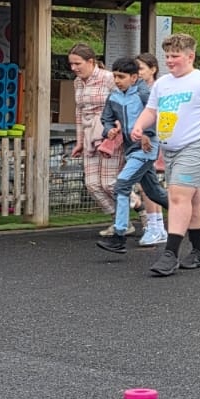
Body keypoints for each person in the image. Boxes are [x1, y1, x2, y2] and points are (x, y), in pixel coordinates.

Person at [131, 33, 200, 277]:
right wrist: (139, 125)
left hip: (197, 145)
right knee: (193, 197)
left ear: (190, 57)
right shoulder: (162, 84)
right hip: (170, 149)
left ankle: (170, 253)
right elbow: (151, 110)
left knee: (177, 195)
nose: (169, 60)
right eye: (167, 56)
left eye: (175, 56)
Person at [96, 57, 170, 255]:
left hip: (146, 150)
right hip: (130, 149)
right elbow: (106, 119)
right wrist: (110, 130)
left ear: (134, 77)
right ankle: (187, 213)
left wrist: (147, 133)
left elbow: (157, 116)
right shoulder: (114, 96)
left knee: (121, 185)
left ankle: (119, 236)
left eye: (121, 77)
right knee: (155, 193)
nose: (117, 80)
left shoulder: (144, 93)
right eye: (115, 76)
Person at [68, 44, 120, 229]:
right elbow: (79, 112)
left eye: (77, 64)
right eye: (71, 64)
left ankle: (142, 211)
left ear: (90, 61)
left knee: (109, 183)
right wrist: (79, 141)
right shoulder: (77, 82)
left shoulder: (108, 78)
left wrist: (118, 126)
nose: (74, 68)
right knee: (92, 184)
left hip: (109, 133)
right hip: (89, 133)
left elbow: (124, 101)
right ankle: (119, 220)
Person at [132, 52, 168, 241]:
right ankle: (157, 226)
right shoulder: (136, 90)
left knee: (149, 185)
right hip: (139, 141)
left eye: (141, 68)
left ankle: (155, 226)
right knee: (148, 185)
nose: (137, 72)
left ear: (153, 69)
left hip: (154, 141)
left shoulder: (158, 90)